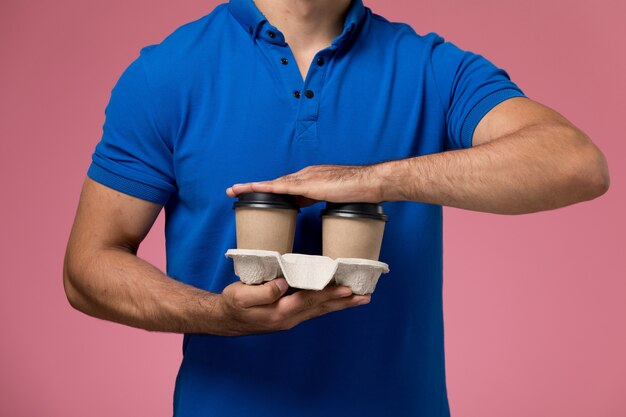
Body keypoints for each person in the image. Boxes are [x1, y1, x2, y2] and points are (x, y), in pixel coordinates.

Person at [63, 0, 610, 416]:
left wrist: (370, 180)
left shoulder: (432, 68)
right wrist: (219, 316)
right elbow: (88, 268)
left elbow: (574, 164)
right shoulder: (167, 76)